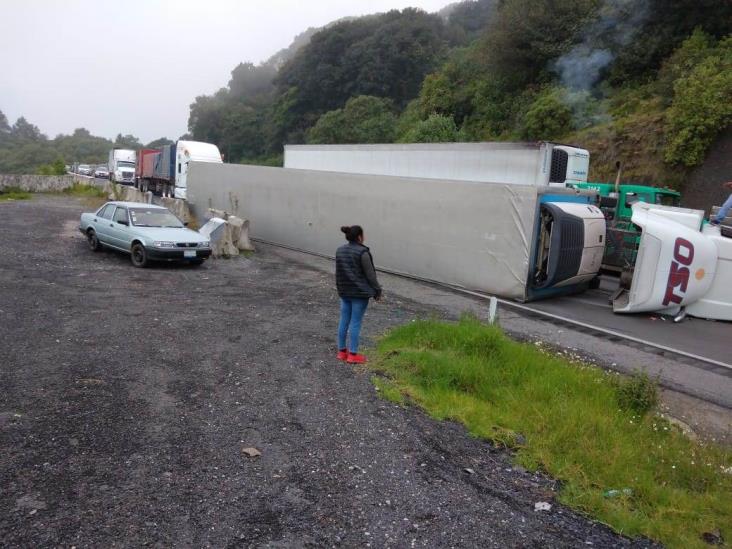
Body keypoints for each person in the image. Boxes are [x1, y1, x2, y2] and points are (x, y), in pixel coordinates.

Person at [335, 225, 382, 364]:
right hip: (359, 294)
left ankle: (342, 352)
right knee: (355, 322)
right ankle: (353, 354)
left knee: (344, 320)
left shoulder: (340, 250)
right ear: (360, 237)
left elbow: (339, 272)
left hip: (344, 292)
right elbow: (371, 275)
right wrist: (377, 290)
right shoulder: (363, 252)